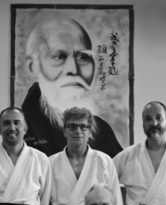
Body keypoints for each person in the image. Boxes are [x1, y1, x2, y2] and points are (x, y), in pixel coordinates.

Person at [20, 19, 123, 157]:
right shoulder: (21, 130)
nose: (73, 69)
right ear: (33, 66)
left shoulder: (102, 131)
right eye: (59, 57)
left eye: (83, 57)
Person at [49, 107, 124, 205]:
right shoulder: (51, 163)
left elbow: (115, 202)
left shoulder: (104, 161)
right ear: (64, 131)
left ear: (90, 132)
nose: (78, 131)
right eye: (72, 126)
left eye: (83, 127)